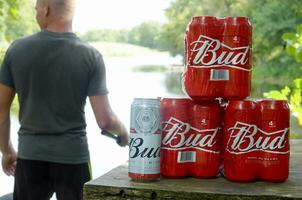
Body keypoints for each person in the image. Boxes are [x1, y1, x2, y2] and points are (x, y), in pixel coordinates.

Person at [0, 0, 129, 199]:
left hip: (30, 157)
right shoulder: (90, 55)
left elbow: (1, 109)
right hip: (73, 159)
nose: (36, 15)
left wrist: (7, 151)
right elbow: (105, 120)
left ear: (45, 9)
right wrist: (123, 133)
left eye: (36, 10)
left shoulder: (17, 50)